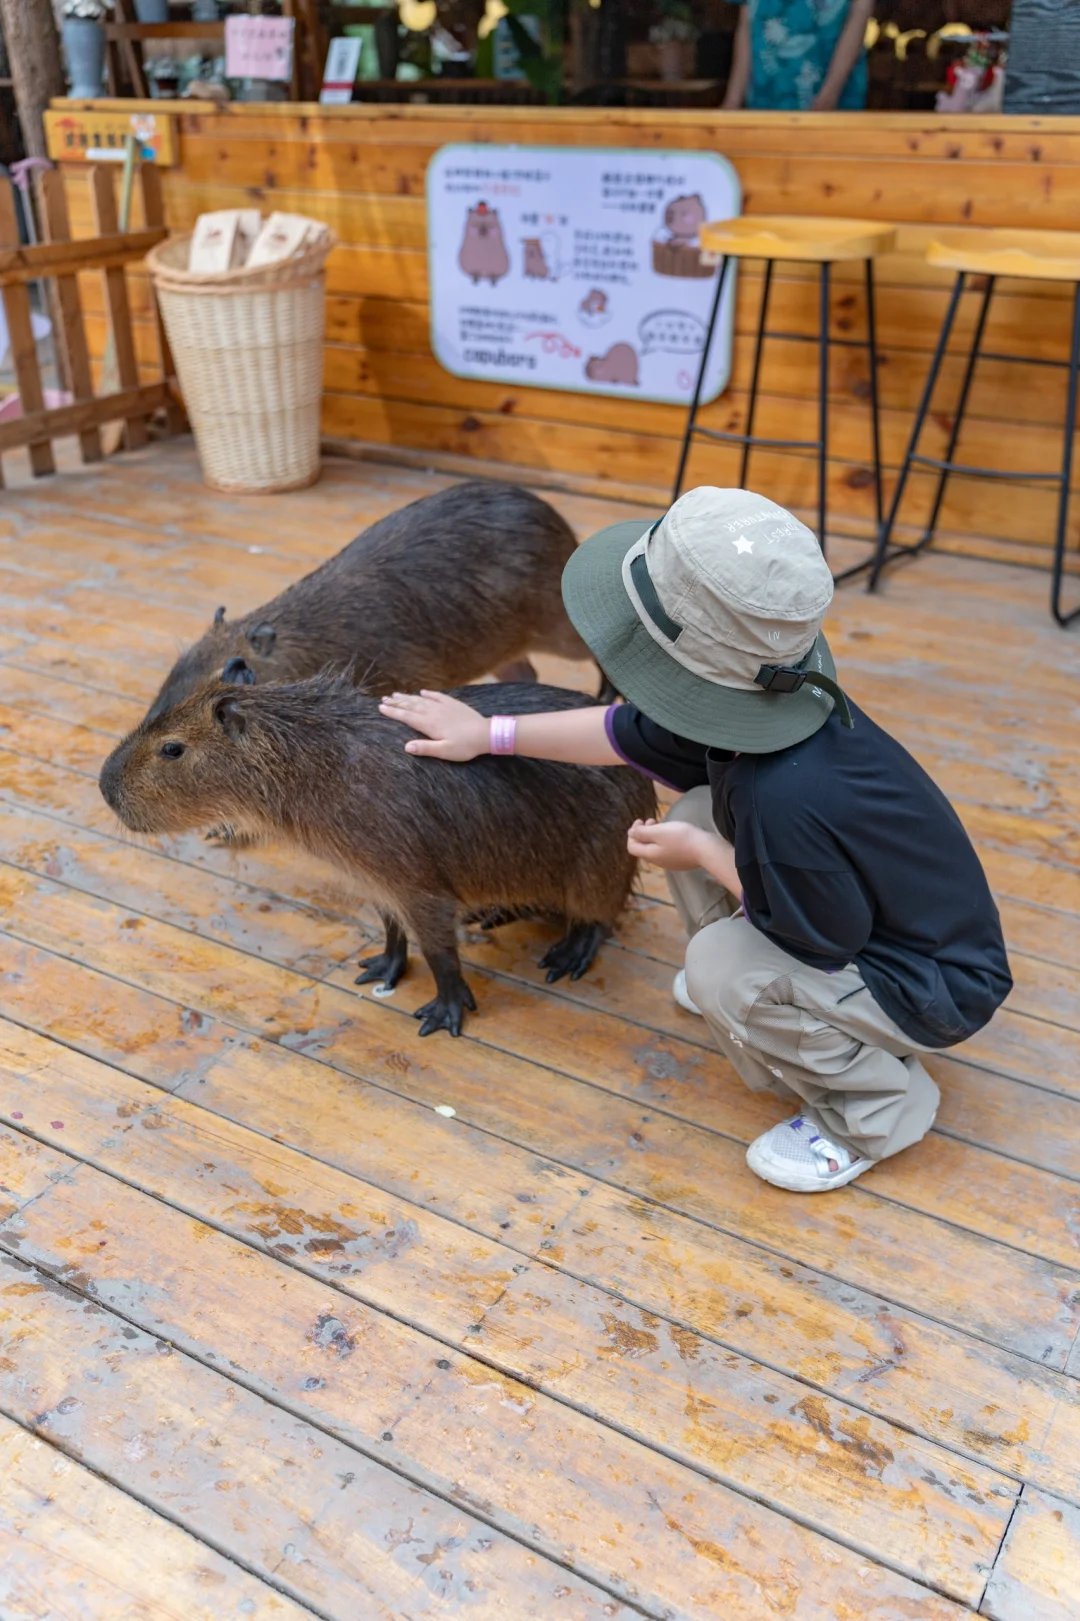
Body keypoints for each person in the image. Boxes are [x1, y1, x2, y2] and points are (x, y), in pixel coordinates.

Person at [379, 487, 1012, 1194]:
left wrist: (707, 856)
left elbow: (824, 937)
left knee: (719, 955)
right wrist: (489, 733)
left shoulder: (786, 799)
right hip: (855, 914)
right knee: (702, 812)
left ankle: (875, 1106)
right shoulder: (760, 705)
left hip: (929, 986)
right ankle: (768, 996)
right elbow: (617, 733)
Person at [722, 0, 875, 112]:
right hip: (767, 95)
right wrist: (732, 102)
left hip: (834, 98)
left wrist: (829, 95)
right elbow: (746, 24)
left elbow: (860, 13)